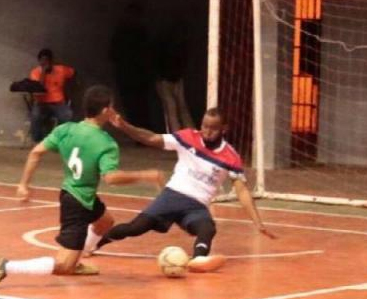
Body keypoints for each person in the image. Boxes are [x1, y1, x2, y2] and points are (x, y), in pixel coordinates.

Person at [0, 85, 164, 290]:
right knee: (63, 265)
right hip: (77, 204)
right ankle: (7, 266)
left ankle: (80, 257)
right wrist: (145, 175)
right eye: (112, 107)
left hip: (74, 194)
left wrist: (23, 184)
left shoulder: (65, 129)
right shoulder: (106, 143)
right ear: (105, 111)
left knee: (105, 222)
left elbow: (36, 152)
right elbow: (111, 178)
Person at [92, 107, 275, 273]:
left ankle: (198, 260)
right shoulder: (188, 138)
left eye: (213, 128)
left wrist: (257, 223)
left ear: (224, 129)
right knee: (135, 228)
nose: (207, 131)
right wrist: (124, 126)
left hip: (196, 206)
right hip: (172, 196)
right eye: (204, 126)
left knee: (207, 228)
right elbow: (151, 138)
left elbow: (242, 191)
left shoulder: (231, 157)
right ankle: (95, 244)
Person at [109, 2, 152, 130]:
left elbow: (112, 54)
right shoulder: (141, 32)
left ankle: (139, 134)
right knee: (139, 106)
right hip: (136, 75)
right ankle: (142, 133)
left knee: (134, 106)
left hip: (129, 75)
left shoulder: (123, 32)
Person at [154, 19, 194, 132]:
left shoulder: (181, 46)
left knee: (180, 107)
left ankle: (190, 133)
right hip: (165, 80)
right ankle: (177, 136)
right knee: (171, 108)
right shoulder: (164, 46)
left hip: (176, 79)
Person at [29, 48, 75, 143]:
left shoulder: (61, 69)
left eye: (47, 60)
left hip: (58, 103)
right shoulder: (35, 72)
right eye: (42, 60)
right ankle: (38, 141)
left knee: (67, 115)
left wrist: (72, 89)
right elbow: (39, 87)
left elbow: (73, 73)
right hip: (41, 103)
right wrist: (43, 72)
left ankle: (59, 139)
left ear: (51, 61)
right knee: (35, 116)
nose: (44, 63)